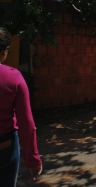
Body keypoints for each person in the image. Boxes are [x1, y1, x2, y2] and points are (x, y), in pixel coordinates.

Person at [0, 27, 42, 186]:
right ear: (4, 51)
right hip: (4, 148)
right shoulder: (13, 78)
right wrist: (33, 159)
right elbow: (26, 123)